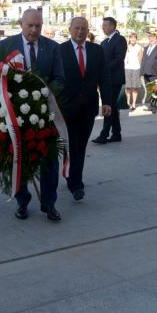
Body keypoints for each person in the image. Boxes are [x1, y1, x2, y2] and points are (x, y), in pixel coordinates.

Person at [0, 8, 64, 222]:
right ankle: (22, 202)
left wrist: (44, 95)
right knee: (20, 159)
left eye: (38, 26)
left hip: (45, 115)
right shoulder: (6, 46)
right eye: (30, 26)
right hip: (17, 115)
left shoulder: (52, 48)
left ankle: (49, 203)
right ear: (21, 24)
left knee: (50, 160)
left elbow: (60, 79)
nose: (34, 30)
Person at [59, 17, 112, 201]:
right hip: (67, 107)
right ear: (70, 29)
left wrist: (107, 101)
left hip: (88, 107)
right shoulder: (60, 50)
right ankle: (76, 184)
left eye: (83, 28)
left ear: (88, 30)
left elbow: (104, 77)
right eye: (76, 28)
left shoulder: (96, 50)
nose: (80, 32)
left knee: (80, 145)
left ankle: (73, 177)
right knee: (72, 144)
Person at [92, 17, 126, 144]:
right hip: (105, 79)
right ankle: (116, 133)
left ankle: (104, 134)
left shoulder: (119, 40)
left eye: (105, 25)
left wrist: (105, 69)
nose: (103, 27)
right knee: (112, 105)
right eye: (103, 25)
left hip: (115, 78)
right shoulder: (105, 42)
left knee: (109, 105)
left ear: (113, 26)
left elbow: (119, 59)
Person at [139, 32, 157, 109]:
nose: (151, 39)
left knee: (155, 90)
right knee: (150, 90)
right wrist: (141, 71)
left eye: (153, 38)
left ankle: (153, 106)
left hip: (155, 72)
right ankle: (151, 105)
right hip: (145, 72)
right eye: (150, 38)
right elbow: (144, 60)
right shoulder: (146, 48)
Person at [124, 32, 142, 112]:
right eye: (131, 38)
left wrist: (137, 65)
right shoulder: (126, 47)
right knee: (127, 86)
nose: (133, 39)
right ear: (129, 38)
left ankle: (134, 103)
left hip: (136, 68)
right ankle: (128, 102)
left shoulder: (139, 47)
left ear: (136, 39)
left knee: (135, 87)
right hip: (127, 68)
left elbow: (140, 58)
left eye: (134, 38)